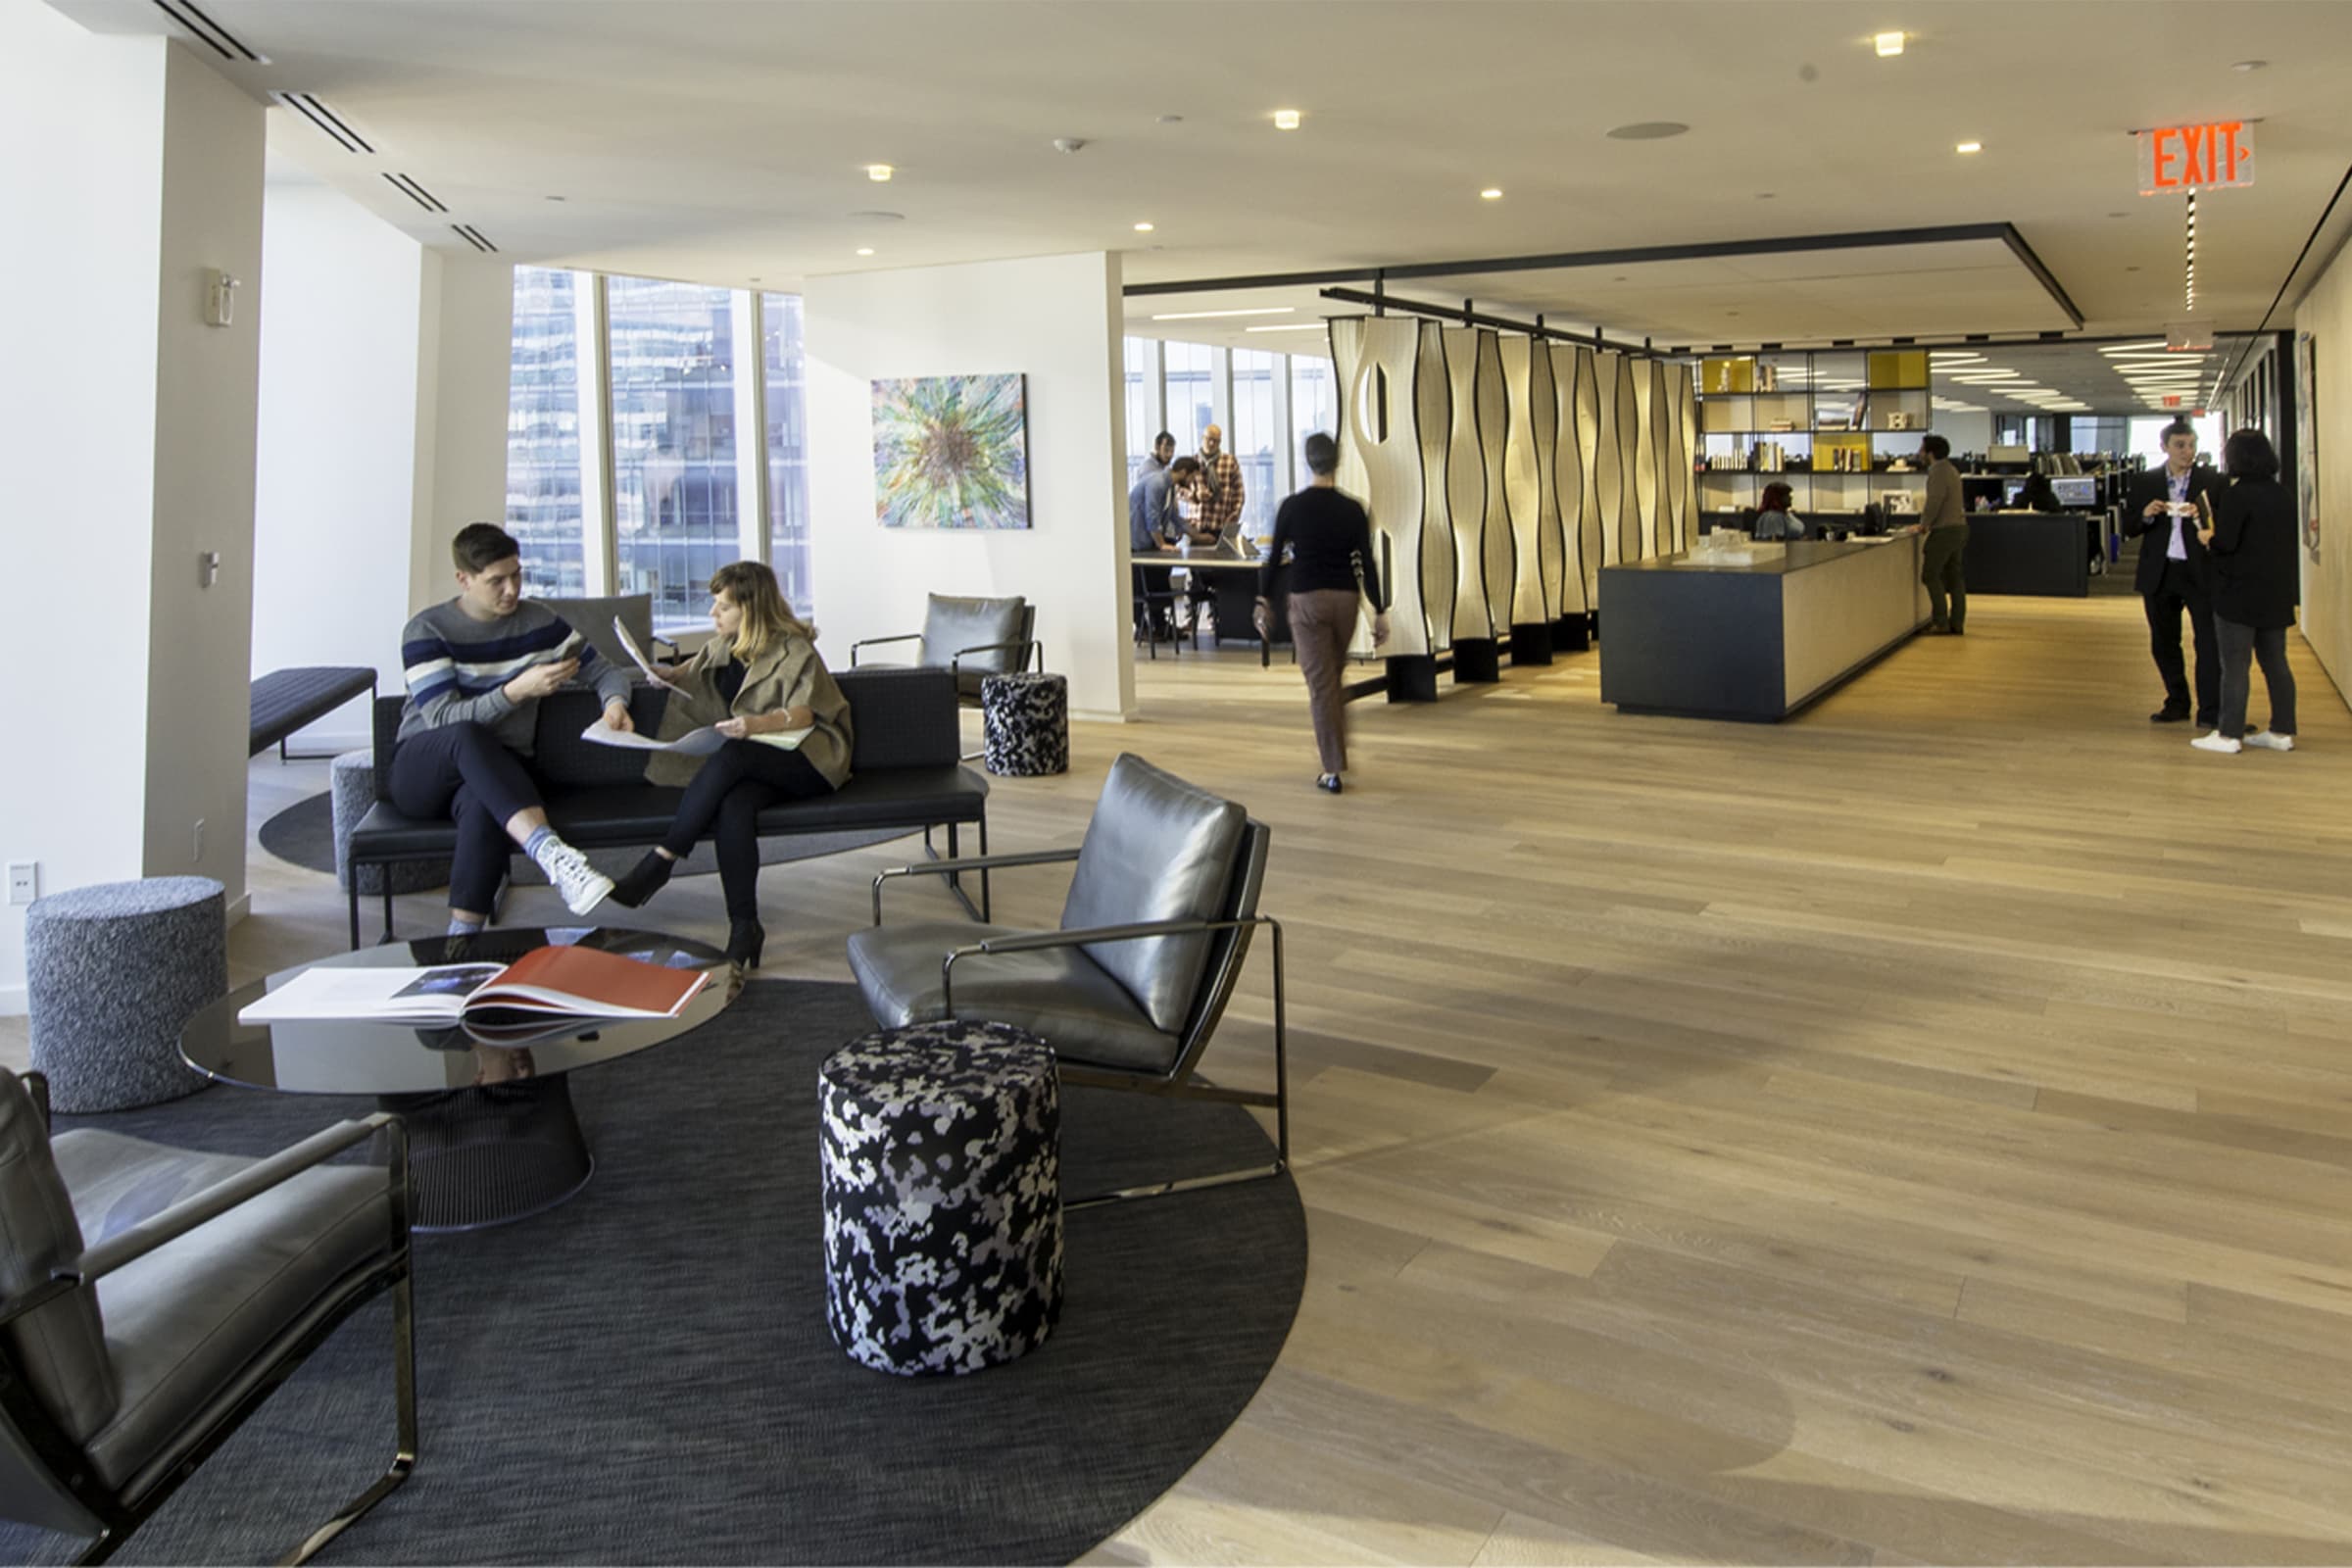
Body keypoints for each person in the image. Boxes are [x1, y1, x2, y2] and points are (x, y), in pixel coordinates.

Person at [607, 563, 853, 968]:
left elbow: (806, 713)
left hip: (810, 757)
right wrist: (667, 674)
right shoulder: (725, 645)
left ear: (750, 609)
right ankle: (744, 927)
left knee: (735, 753)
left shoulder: (794, 649)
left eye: (723, 607)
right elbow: (693, 668)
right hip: (758, 762)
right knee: (733, 806)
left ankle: (662, 859)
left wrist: (754, 725)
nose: (713, 614)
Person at [392, 522, 627, 933]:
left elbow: (606, 671)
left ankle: (462, 942)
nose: (512, 589)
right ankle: (548, 850)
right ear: (464, 580)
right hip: (423, 770)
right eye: (496, 581)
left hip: (498, 773)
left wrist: (614, 704)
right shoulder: (427, 630)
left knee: (484, 801)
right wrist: (517, 691)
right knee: (467, 735)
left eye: (517, 575)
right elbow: (444, 720)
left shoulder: (539, 623)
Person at [1258, 433, 1387, 794]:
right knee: (1331, 679)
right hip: (1346, 600)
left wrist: (1263, 600)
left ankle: (1332, 770)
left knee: (1322, 686)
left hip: (1307, 602)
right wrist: (1380, 609)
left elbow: (1273, 559)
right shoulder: (1354, 509)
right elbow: (1367, 563)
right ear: (1337, 460)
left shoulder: (1292, 507)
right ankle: (1337, 752)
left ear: (1307, 461)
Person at [2188, 428, 2299, 756]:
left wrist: (2207, 537)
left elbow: (2226, 543)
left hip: (2238, 592)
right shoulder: (2282, 494)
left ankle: (2229, 734)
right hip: (2275, 591)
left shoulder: (2237, 496)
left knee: (2235, 666)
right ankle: (2282, 731)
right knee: (2276, 663)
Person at [2123, 418, 2221, 726]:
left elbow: (2224, 526)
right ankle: (2177, 701)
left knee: (2208, 642)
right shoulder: (2145, 481)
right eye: (2180, 445)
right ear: (2164, 447)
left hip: (2199, 571)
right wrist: (2146, 515)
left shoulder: (2212, 481)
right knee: (2164, 642)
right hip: (2161, 571)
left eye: (2191, 445)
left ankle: (2211, 710)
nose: (2187, 451)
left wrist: (2204, 517)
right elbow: (2128, 527)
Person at [1130, 454, 1198, 640]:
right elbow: (1151, 515)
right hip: (1137, 543)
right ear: (1183, 472)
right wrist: (1162, 544)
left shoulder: (1169, 486)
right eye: (1192, 477)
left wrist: (1196, 535)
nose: (1192, 482)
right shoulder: (1157, 482)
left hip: (1147, 544)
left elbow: (1174, 517)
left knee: (1158, 582)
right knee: (1139, 586)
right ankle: (1141, 628)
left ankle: (1160, 625)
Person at [1916, 433, 1968, 634]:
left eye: (1922, 450)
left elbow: (1934, 501)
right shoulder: (1951, 469)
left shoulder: (1937, 472)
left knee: (1930, 575)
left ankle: (1940, 622)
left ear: (1930, 453)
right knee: (1954, 578)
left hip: (1945, 530)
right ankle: (1957, 622)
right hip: (1959, 527)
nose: (1919, 453)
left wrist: (1924, 525)